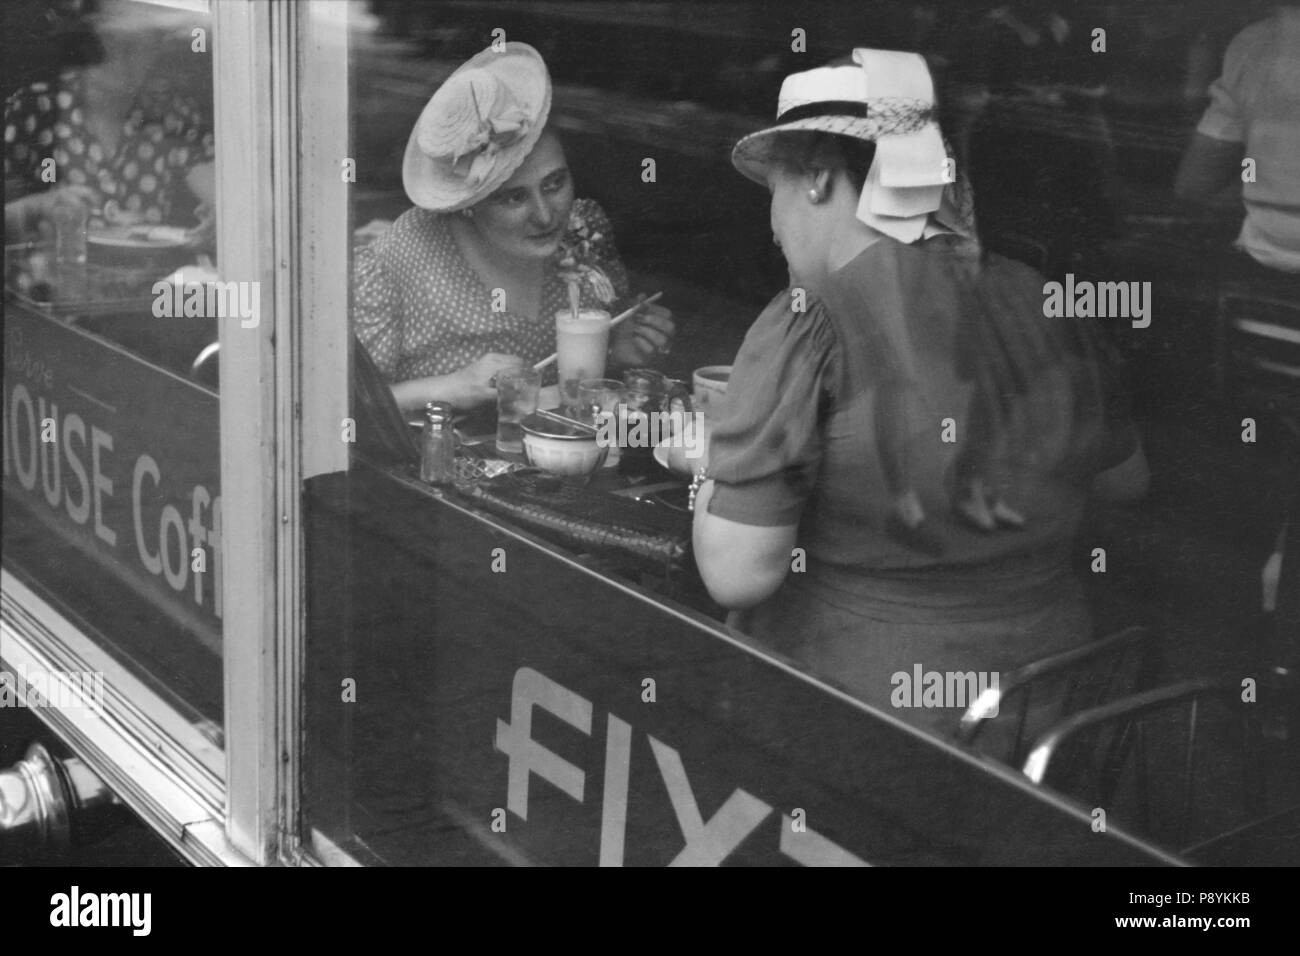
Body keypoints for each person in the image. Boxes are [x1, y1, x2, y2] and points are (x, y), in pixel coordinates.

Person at [691, 49, 1149, 737]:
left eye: (775, 188)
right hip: (1050, 718)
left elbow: (738, 574)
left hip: (869, 728)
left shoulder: (806, 320)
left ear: (817, 178)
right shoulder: (1044, 298)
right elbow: (1127, 481)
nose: (773, 219)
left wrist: (712, 464)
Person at [353, 41, 674, 414]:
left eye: (555, 184)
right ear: (467, 205)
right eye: (513, 198)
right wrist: (449, 388)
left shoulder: (583, 233)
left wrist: (617, 354)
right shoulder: (405, 255)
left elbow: (575, 391)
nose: (545, 216)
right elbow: (339, 409)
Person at [4, 0, 215, 241]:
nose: (121, 57)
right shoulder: (35, 109)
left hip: (150, 276)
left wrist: (221, 212)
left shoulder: (169, 113)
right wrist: (35, 208)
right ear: (88, 43)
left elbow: (223, 192)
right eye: (111, 41)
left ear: (155, 50)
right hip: (55, 274)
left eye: (137, 45)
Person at [1175, 3, 1300, 280]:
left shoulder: (1253, 45)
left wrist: (1267, 188)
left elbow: (1194, 186)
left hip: (1267, 255)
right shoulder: (1253, 44)